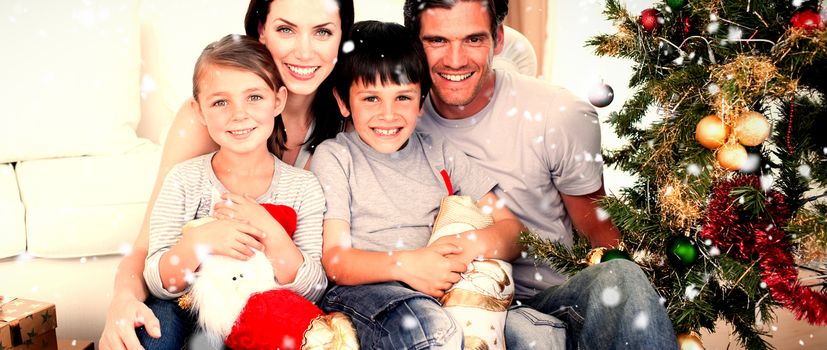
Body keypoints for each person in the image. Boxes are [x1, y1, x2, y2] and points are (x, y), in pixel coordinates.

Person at [402, 1, 678, 349]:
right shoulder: (392, 120)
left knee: (619, 278)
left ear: (498, 39)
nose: (455, 60)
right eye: (437, 40)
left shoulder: (557, 114)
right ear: (414, 43)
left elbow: (599, 230)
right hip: (442, 307)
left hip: (549, 301)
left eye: (473, 39)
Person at [99, 1, 354, 349]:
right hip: (194, 298)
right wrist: (122, 302)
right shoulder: (200, 134)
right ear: (261, 29)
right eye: (286, 29)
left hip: (281, 304)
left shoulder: (359, 114)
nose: (305, 50)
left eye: (322, 31)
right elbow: (150, 252)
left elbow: (313, 277)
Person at [310, 20, 524, 349]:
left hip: (438, 288)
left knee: (530, 333)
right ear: (342, 101)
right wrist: (409, 265)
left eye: (403, 98)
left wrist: (470, 245)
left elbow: (513, 231)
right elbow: (336, 260)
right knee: (429, 328)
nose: (388, 114)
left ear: (421, 101)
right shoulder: (336, 157)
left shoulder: (440, 153)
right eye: (370, 99)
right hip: (366, 293)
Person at [139, 34, 327, 348]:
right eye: (220, 102)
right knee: (158, 325)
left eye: (254, 97)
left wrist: (270, 231)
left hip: (264, 313)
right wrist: (199, 244)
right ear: (199, 111)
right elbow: (159, 283)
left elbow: (313, 288)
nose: (239, 114)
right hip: (192, 307)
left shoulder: (303, 187)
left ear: (278, 101)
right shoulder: (184, 179)